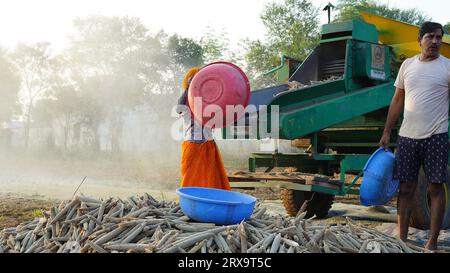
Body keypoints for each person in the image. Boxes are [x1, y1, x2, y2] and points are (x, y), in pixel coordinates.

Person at [379, 22, 450, 250]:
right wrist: (387, 131)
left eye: (439, 37)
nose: (436, 41)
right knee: (406, 188)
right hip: (408, 137)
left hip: (436, 136)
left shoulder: (448, 66)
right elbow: (397, 100)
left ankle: (432, 241)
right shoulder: (407, 66)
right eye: (430, 37)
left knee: (435, 188)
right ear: (420, 40)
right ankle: (401, 238)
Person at [175, 67, 230, 190]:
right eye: (194, 81)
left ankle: (210, 201)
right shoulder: (186, 100)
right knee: (190, 179)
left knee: (210, 179)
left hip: (208, 145)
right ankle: (190, 201)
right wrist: (189, 89)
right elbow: (178, 109)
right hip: (193, 144)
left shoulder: (211, 99)